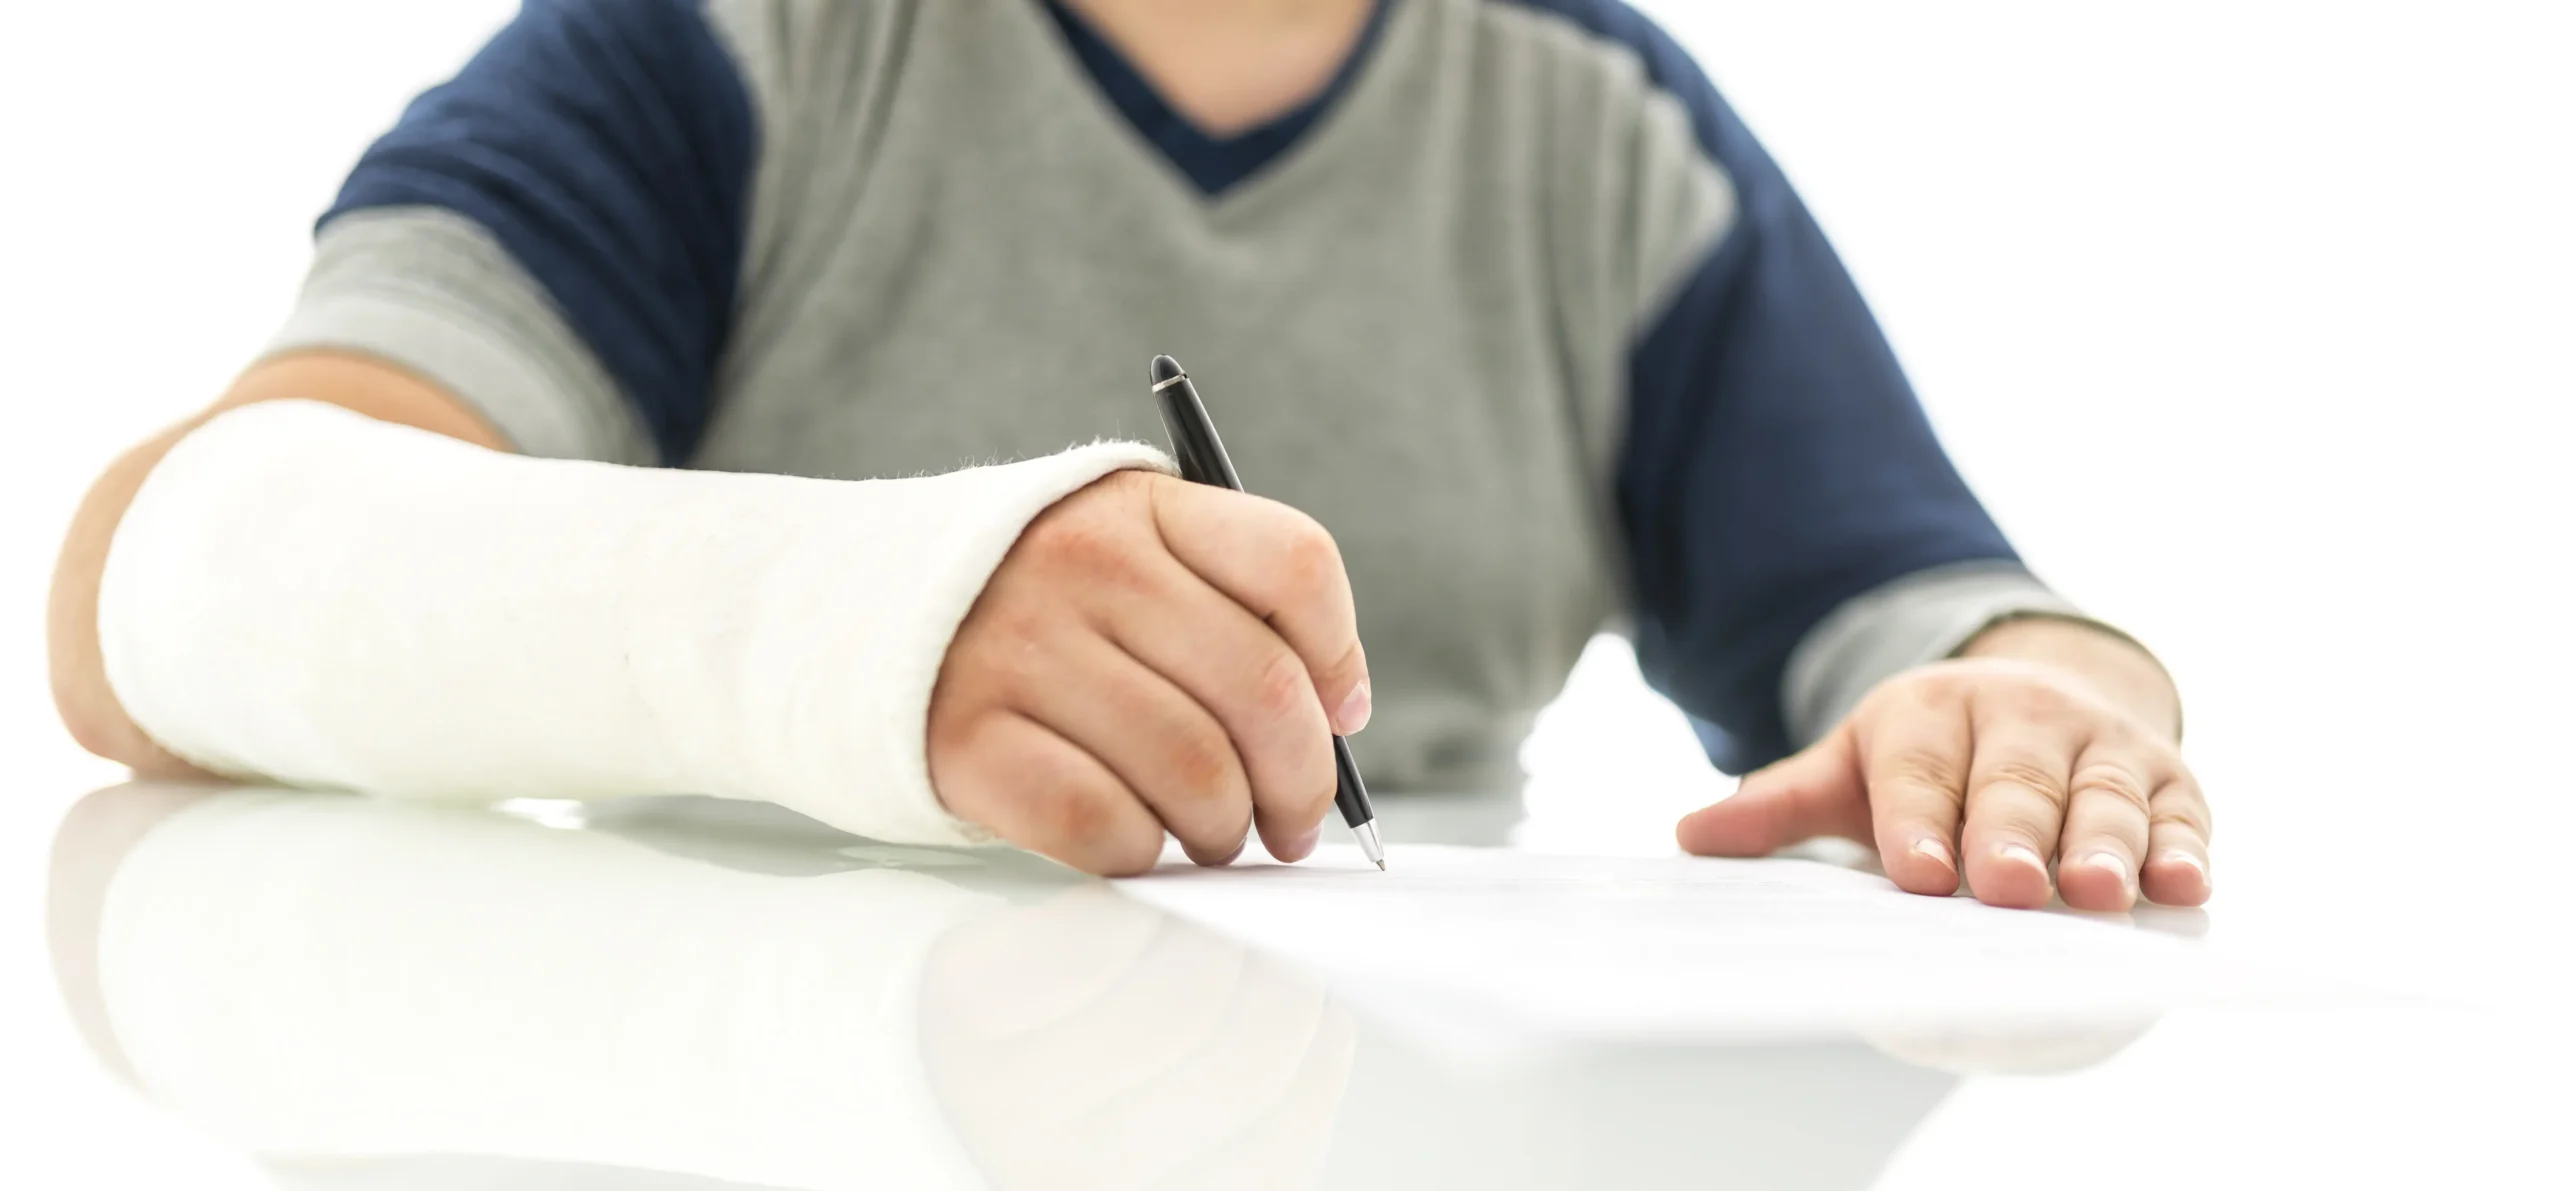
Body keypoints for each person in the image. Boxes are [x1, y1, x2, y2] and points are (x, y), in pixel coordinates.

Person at [45, 0, 2210, 909]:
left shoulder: (1590, 122)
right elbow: (164, 582)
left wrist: (2047, 716)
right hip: (742, 1143)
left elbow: (1934, 621)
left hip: (1384, 1155)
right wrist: (877, 617)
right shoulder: (727, 45)